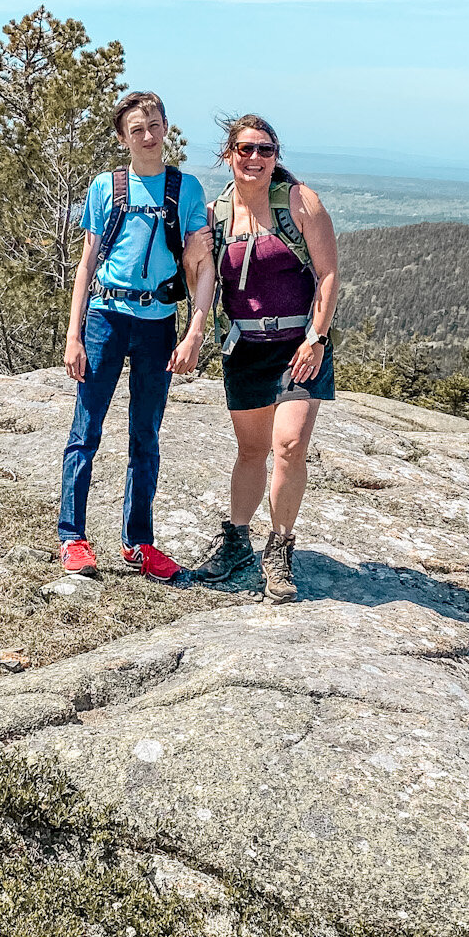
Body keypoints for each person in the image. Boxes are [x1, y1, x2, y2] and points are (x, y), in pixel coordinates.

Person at [58, 91, 214, 579]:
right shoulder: (106, 187)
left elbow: (201, 265)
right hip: (106, 317)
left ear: (166, 126)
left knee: (145, 435)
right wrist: (73, 335)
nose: (147, 136)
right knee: (87, 430)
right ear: (123, 137)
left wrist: (194, 334)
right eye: (136, 129)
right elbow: (86, 264)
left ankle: (139, 543)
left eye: (153, 125)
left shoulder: (185, 190)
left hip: (158, 324)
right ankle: (73, 537)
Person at [190, 114, 339, 603]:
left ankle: (280, 550)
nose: (256, 158)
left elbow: (329, 274)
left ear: (276, 155)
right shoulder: (214, 215)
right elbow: (202, 285)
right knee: (252, 452)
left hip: (301, 346)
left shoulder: (298, 201)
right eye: (246, 149)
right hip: (246, 348)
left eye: (266, 150)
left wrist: (316, 337)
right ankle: (237, 541)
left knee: (290, 444)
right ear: (228, 154)